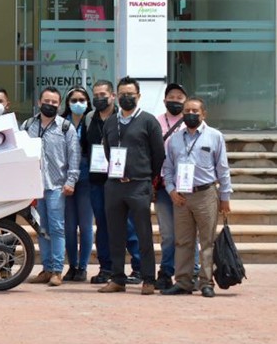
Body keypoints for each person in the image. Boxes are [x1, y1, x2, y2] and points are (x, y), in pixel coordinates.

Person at [98, 77, 165, 295]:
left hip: (139, 185)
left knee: (143, 233)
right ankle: (117, 278)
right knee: (115, 234)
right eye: (122, 94)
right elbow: (107, 151)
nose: (126, 98)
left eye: (130, 94)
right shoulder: (111, 122)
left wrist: (148, 177)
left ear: (139, 96)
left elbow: (158, 154)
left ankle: (148, 279)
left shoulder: (149, 121)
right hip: (114, 185)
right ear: (116, 96)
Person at [160, 97, 232, 298]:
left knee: (207, 241)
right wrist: (171, 191)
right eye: (187, 111)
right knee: (183, 241)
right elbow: (168, 168)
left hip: (205, 194)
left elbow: (223, 168)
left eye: (195, 111)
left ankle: (206, 282)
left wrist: (225, 196)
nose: (190, 114)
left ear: (203, 114)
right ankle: (183, 281)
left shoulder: (215, 136)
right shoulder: (174, 139)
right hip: (181, 196)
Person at [86, 80, 144, 285]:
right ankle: (106, 268)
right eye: (96, 95)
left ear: (113, 96)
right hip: (97, 181)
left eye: (103, 95)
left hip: (122, 180)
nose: (99, 98)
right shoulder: (89, 118)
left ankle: (138, 267)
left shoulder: (122, 118)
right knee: (102, 225)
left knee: (128, 226)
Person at [24, 86, 81, 287]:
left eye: (54, 102)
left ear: (59, 105)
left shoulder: (66, 127)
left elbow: (74, 155)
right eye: (46, 101)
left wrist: (71, 181)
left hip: (57, 186)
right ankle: (46, 269)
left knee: (57, 228)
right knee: (42, 229)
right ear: (39, 102)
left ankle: (57, 270)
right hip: (35, 186)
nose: (50, 105)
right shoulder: (28, 125)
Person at [154, 82, 188, 291]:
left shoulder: (192, 122)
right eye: (171, 97)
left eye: (179, 98)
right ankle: (166, 272)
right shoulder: (155, 122)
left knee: (188, 234)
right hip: (163, 185)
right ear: (165, 100)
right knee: (167, 234)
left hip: (188, 186)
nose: (175, 101)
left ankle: (191, 272)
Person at [61, 86, 93, 282]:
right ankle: (72, 265)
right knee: (69, 225)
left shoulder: (92, 121)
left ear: (88, 102)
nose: (78, 103)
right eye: (74, 100)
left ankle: (83, 267)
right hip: (65, 177)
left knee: (86, 225)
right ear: (68, 103)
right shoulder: (61, 122)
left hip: (87, 176)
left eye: (82, 100)